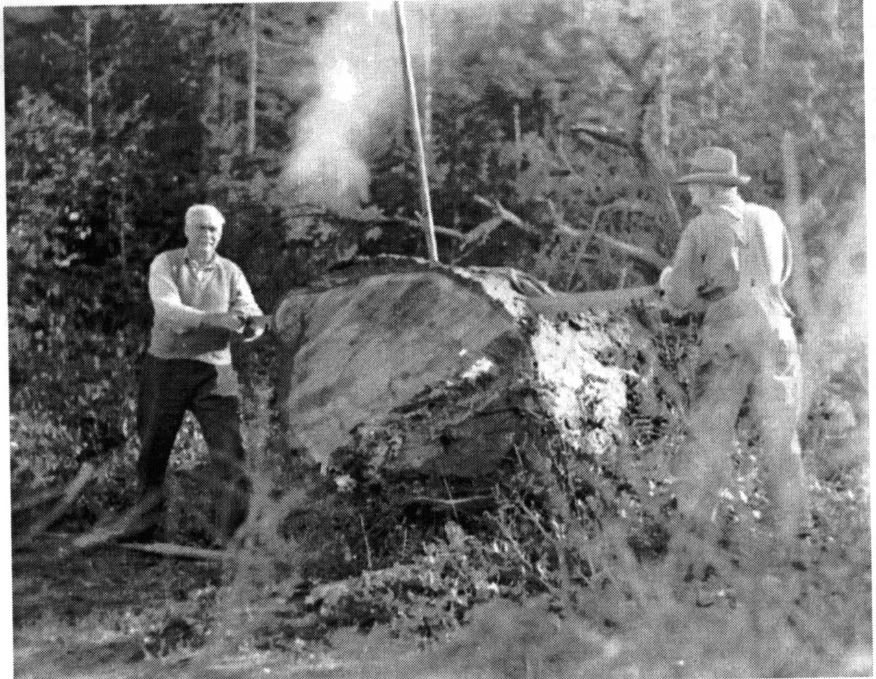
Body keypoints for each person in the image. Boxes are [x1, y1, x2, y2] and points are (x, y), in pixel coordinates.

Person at [658, 147, 811, 552]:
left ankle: (693, 531)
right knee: (780, 433)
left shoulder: (701, 228)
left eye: (694, 187)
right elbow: (784, 273)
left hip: (730, 337)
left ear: (710, 189)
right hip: (779, 333)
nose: (690, 195)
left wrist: (668, 281)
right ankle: (795, 530)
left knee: (708, 433)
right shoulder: (770, 218)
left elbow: (679, 297)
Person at [89, 204, 267, 547]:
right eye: (201, 228)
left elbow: (251, 312)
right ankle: (143, 527)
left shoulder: (231, 271)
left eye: (214, 230)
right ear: (187, 230)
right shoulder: (165, 263)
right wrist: (218, 319)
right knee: (154, 449)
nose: (208, 235)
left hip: (216, 370)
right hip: (166, 367)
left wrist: (251, 327)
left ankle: (232, 537)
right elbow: (169, 311)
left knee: (230, 449)